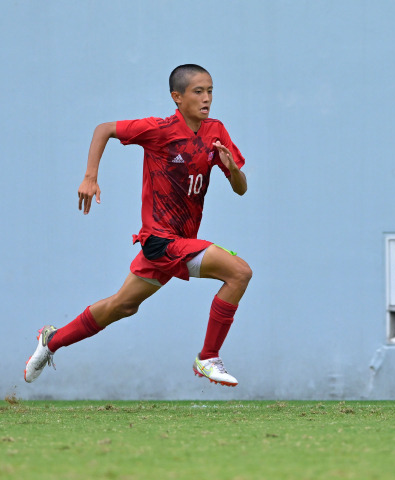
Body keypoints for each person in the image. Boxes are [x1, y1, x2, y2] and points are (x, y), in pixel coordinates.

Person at [24, 64, 252, 387]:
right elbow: (104, 129)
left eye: (210, 91)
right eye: (198, 91)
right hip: (160, 241)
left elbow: (241, 188)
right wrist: (90, 176)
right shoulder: (159, 130)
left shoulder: (216, 131)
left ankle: (52, 340)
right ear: (177, 97)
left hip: (179, 242)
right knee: (240, 272)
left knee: (122, 306)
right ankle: (208, 356)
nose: (207, 98)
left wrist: (233, 171)